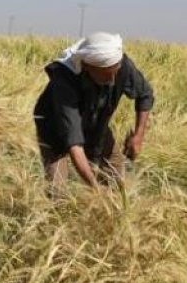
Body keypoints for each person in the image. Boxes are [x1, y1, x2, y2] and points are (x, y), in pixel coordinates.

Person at [32, 32, 154, 192]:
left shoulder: (121, 65)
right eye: (106, 75)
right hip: (55, 128)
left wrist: (138, 136)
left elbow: (145, 95)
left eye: (115, 72)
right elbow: (74, 144)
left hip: (96, 122)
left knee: (117, 184)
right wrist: (95, 189)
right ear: (87, 67)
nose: (112, 80)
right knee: (58, 193)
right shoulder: (64, 83)